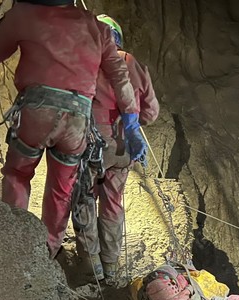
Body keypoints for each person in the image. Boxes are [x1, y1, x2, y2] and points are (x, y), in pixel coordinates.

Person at [0, 0, 144, 258]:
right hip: (77, 118)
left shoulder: (24, 14)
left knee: (18, 173)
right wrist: (132, 125)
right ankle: (47, 250)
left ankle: (12, 241)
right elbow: (120, 78)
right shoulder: (96, 27)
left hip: (37, 110)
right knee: (62, 188)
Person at [73, 14, 160, 281]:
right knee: (113, 201)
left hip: (89, 143)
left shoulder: (84, 61)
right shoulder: (131, 62)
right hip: (123, 147)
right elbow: (151, 111)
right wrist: (129, 125)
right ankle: (110, 264)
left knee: (83, 196)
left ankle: (92, 264)